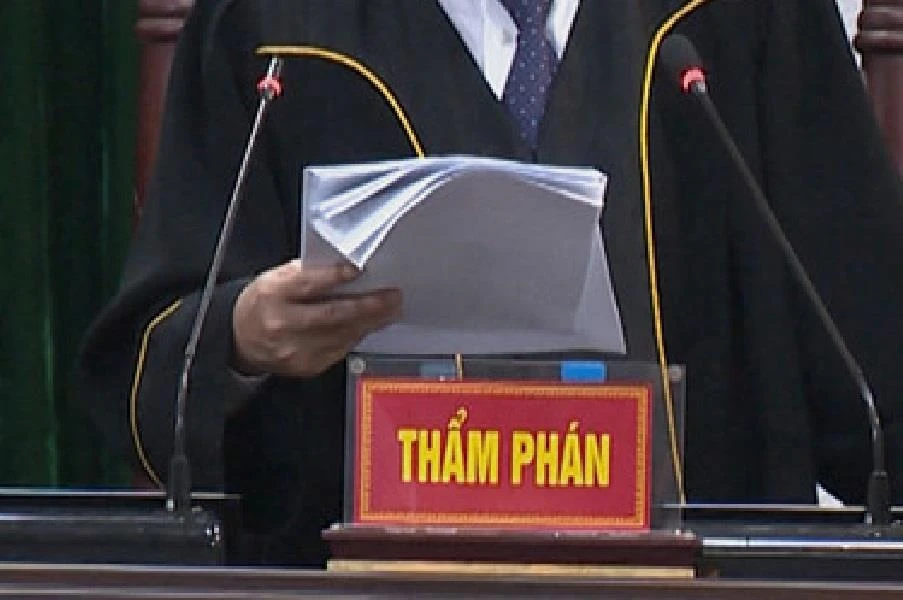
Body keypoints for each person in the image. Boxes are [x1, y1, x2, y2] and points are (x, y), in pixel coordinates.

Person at [79, 0, 903, 566]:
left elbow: (867, 342)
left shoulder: (735, 19)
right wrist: (241, 338)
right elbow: (148, 368)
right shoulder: (275, 27)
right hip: (361, 574)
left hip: (693, 572)